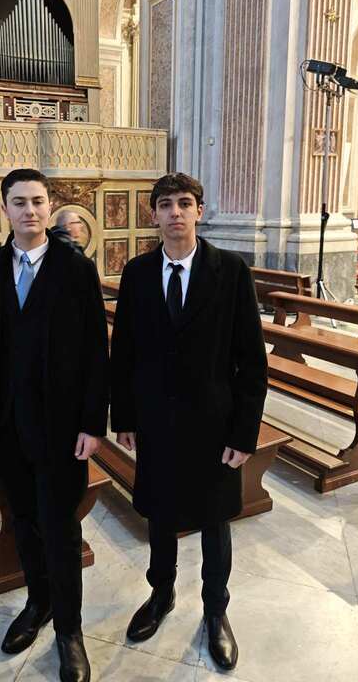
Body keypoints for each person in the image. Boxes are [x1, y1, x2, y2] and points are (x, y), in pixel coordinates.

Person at [110, 172, 267, 671]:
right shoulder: (137, 273)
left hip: (214, 423)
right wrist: (124, 416)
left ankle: (215, 611)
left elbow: (252, 360)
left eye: (184, 203)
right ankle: (161, 594)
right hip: (156, 419)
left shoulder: (230, 270)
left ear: (199, 210)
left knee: (215, 519)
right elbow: (124, 352)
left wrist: (244, 433)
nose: (174, 212)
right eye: (165, 204)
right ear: (153, 214)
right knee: (159, 514)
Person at [0, 169, 109, 682]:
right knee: (23, 524)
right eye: (19, 202)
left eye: (38, 201)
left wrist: (93, 424)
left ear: (50, 207)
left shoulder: (76, 269)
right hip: (7, 426)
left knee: (60, 530)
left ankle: (70, 631)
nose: (30, 210)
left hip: (60, 428)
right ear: (3, 208)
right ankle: (38, 602)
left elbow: (95, 352)